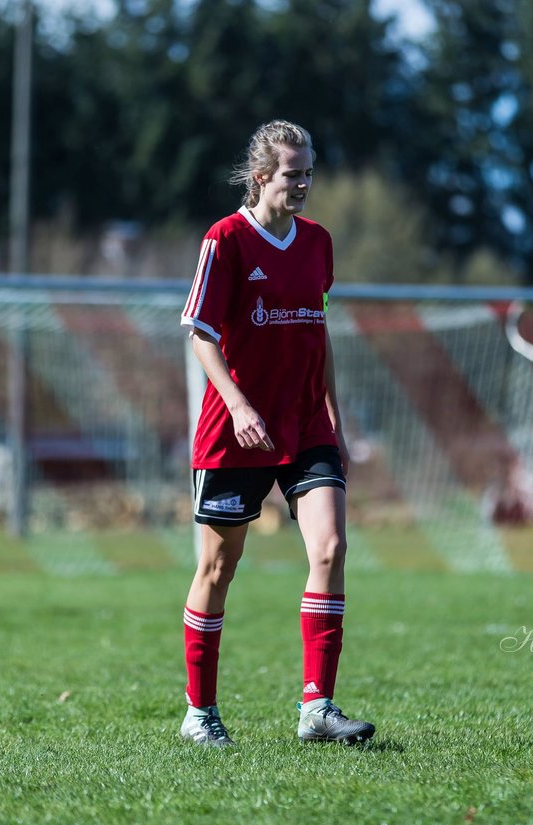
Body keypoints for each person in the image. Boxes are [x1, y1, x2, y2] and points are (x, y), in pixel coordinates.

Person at [177, 120, 374, 746]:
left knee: (331, 549)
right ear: (262, 177)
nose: (304, 184)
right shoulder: (226, 240)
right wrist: (237, 406)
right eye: (293, 173)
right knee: (217, 566)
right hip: (236, 433)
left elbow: (320, 332)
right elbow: (200, 335)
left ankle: (317, 708)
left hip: (306, 423)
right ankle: (199, 713)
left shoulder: (318, 243)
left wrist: (335, 415)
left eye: (309, 172)